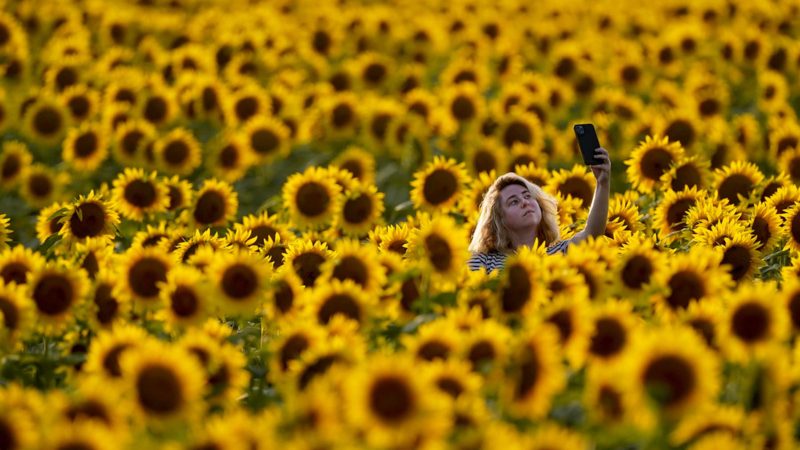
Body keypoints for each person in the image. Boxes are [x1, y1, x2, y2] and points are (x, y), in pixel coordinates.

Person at [467, 147, 611, 272]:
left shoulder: (560, 251)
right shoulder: (484, 261)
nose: (524, 202)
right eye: (514, 201)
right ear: (499, 219)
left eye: (527, 196)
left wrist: (602, 183)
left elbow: (592, 233)